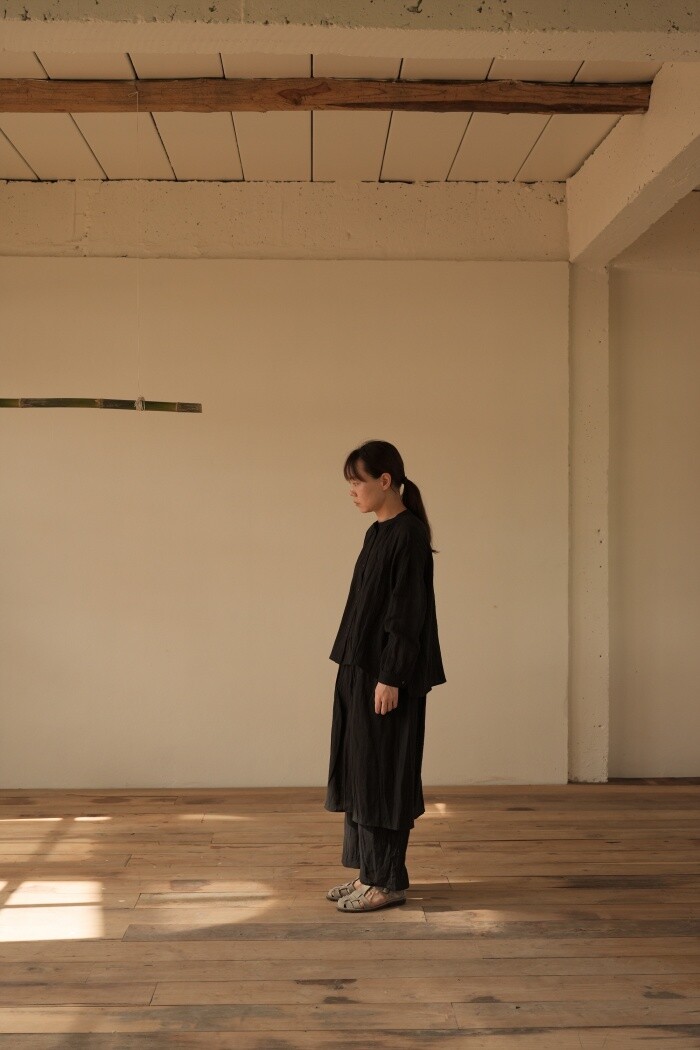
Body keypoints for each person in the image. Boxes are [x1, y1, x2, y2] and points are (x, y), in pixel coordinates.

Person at [324, 439, 446, 913]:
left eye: (357, 481)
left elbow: (407, 614)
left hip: (387, 677)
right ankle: (368, 874)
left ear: (386, 480)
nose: (351, 491)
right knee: (361, 770)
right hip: (360, 670)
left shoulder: (408, 535)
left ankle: (388, 881)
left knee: (383, 774)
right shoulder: (377, 532)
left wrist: (391, 676)